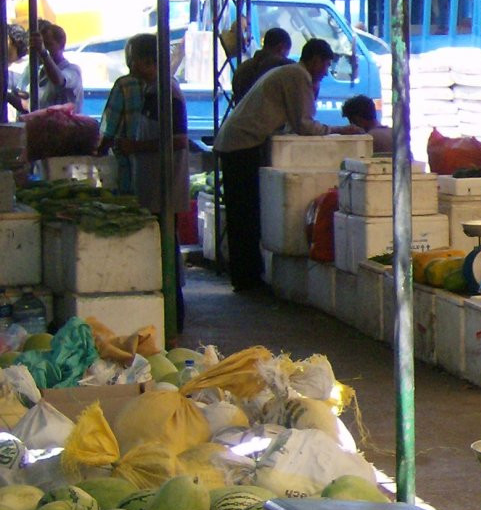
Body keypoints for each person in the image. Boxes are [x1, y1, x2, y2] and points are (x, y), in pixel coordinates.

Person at [213, 37, 336, 292]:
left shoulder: (289, 72)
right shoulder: (297, 76)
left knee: (243, 213)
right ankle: (246, 279)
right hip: (241, 144)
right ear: (315, 60)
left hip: (238, 142)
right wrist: (337, 130)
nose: (325, 73)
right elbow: (304, 123)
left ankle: (247, 276)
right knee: (245, 213)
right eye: (325, 66)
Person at [96, 32, 190, 326]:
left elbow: (178, 140)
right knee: (160, 247)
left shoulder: (167, 91)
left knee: (165, 249)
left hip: (164, 184)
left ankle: (174, 316)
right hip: (152, 182)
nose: (131, 65)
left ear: (147, 61)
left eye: (134, 59)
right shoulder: (152, 89)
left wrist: (134, 147)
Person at [5, 22, 82, 114]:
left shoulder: (72, 70)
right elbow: (28, 106)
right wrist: (8, 95)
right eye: (42, 45)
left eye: (48, 44)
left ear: (61, 45)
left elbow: (59, 80)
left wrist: (43, 52)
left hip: (63, 127)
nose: (43, 48)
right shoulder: (40, 72)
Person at [230, 26, 293, 105]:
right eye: (285, 55)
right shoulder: (283, 67)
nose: (285, 58)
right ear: (280, 48)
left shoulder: (242, 68)